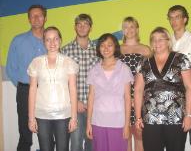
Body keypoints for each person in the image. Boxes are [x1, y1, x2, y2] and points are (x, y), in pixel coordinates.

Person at [134, 27, 191, 151]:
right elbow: (138, 90)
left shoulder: (181, 59)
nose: (157, 43)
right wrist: (138, 117)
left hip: (176, 117)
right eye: (154, 40)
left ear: (168, 41)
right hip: (150, 118)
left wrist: (189, 115)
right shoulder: (144, 62)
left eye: (160, 39)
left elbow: (190, 87)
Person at [27, 26, 78, 151]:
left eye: (55, 39)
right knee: (45, 148)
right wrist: (31, 118)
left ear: (60, 40)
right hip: (42, 114)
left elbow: (73, 89)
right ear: (44, 42)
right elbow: (32, 90)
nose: (52, 43)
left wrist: (74, 117)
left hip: (63, 115)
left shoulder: (68, 62)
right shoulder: (36, 62)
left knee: (63, 148)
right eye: (48, 39)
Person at [6, 4, 47, 151]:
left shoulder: (51, 41)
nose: (36, 18)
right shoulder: (18, 40)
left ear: (45, 18)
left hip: (46, 93)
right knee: (25, 135)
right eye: (33, 16)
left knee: (47, 135)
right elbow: (11, 69)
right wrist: (24, 86)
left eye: (40, 15)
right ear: (29, 19)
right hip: (25, 92)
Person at [167, 5, 191, 151]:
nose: (174, 21)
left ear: (185, 19)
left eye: (177, 17)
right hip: (172, 97)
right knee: (175, 137)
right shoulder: (167, 43)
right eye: (171, 17)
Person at [86, 33, 133, 151]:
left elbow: (128, 98)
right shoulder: (94, 70)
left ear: (115, 47)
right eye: (102, 45)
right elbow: (91, 97)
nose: (106, 48)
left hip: (118, 122)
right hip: (98, 121)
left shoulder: (124, 69)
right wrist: (88, 123)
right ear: (98, 48)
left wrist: (127, 125)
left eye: (109, 45)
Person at [61, 13, 99, 151]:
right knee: (76, 143)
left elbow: (102, 79)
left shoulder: (99, 50)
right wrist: (75, 102)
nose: (82, 27)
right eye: (79, 24)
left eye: (86, 24)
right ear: (75, 27)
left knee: (92, 143)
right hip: (74, 107)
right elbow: (62, 80)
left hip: (95, 106)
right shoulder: (65, 51)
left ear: (90, 27)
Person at [120, 16, 151, 151]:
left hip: (141, 97)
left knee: (140, 135)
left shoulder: (146, 50)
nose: (129, 29)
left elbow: (151, 76)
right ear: (123, 30)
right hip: (121, 98)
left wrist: (140, 97)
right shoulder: (116, 49)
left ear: (137, 29)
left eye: (132, 26)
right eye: (126, 27)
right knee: (125, 136)